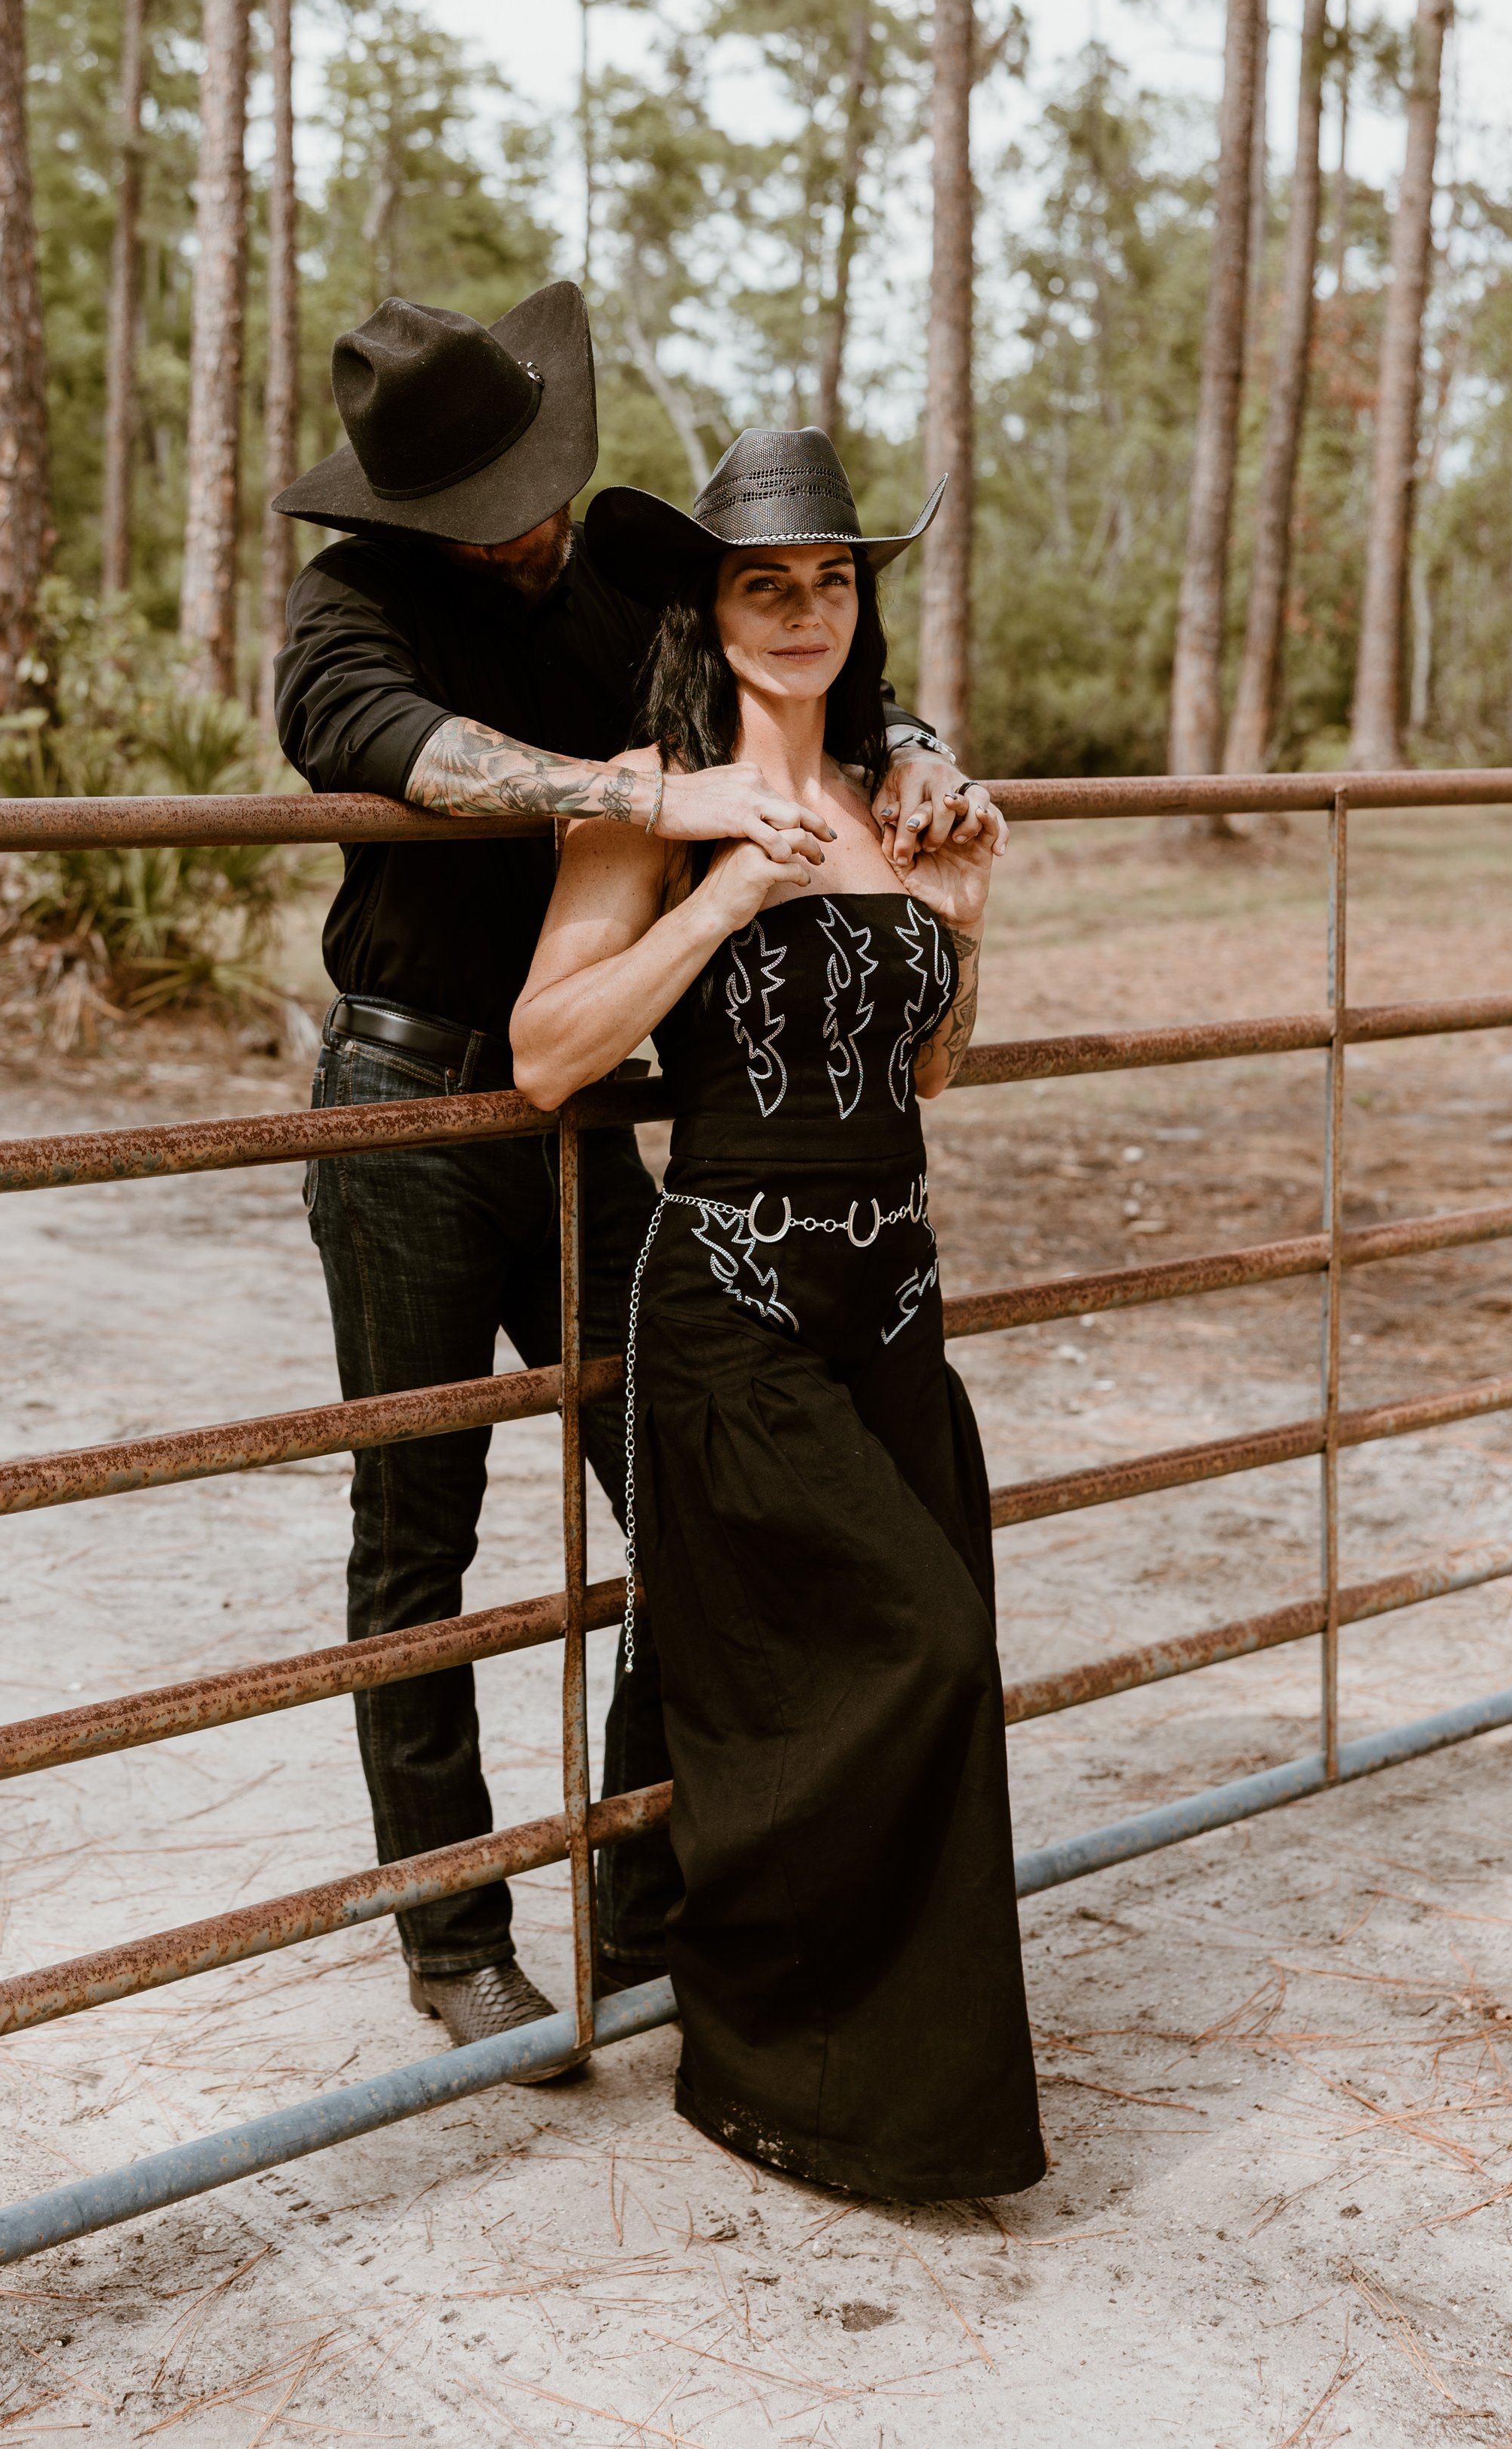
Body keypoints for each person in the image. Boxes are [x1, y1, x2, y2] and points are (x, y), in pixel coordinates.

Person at [270, 286, 968, 2079]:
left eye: (538, 491)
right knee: (417, 1527)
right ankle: (453, 1934)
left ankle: (638, 1895)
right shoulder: (347, 609)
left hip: (589, 1106)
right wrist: (648, 810)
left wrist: (911, 753)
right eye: (478, 515)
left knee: (687, 1494)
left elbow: (780, 672)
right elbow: (397, 745)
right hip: (414, 1089)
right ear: (404, 516)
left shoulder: (602, 584)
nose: (522, 530)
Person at [510, 425, 1046, 2199]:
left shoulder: (899, 794)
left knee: (942, 1659)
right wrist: (727, 885)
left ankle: (913, 2100)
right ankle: (776, 2060)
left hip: (892, 1298)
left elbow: (926, 1074)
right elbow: (546, 1056)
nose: (804, 612)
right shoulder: (650, 799)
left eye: (830, 582)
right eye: (765, 585)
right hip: (730, 1301)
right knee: (913, 1648)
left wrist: (960, 923)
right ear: (709, 607)